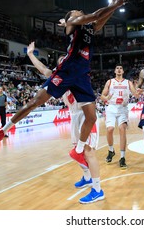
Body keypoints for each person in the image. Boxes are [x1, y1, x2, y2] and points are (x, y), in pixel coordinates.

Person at [0, 0, 127, 203]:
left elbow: (102, 17)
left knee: (91, 116)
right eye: (76, 11)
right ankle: (2, 131)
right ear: (71, 19)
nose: (79, 11)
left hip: (82, 75)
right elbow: (97, 14)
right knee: (35, 101)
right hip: (67, 70)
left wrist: (115, 1)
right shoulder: (75, 23)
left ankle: (78, 152)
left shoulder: (88, 28)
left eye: (80, 11)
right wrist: (114, 3)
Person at [26, 41, 101, 203]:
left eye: (65, 58)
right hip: (74, 116)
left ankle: (97, 189)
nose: (62, 60)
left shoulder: (78, 72)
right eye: (59, 60)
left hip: (85, 114)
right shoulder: (58, 77)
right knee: (77, 151)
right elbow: (43, 69)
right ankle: (87, 177)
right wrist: (31, 54)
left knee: (88, 152)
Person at [100, 64, 139, 169]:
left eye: (121, 68)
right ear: (114, 71)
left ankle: (122, 157)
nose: (119, 69)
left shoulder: (128, 82)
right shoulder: (110, 82)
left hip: (123, 109)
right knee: (110, 129)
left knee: (122, 129)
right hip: (111, 108)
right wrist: (106, 97)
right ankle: (111, 150)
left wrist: (137, 91)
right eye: (117, 68)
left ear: (123, 71)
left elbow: (136, 94)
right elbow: (102, 96)